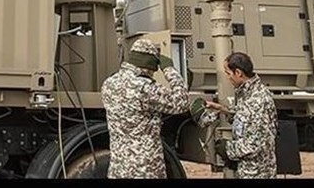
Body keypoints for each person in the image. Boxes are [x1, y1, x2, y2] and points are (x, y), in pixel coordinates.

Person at [101, 38, 190, 178]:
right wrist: (170, 70)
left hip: (119, 167)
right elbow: (182, 103)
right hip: (144, 168)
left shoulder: (109, 83)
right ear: (149, 64)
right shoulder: (144, 87)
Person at [192, 51, 278, 179]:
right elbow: (246, 116)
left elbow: (255, 145)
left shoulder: (259, 100)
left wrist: (228, 149)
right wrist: (223, 109)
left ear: (238, 73)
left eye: (228, 73)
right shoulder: (247, 94)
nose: (227, 77)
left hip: (258, 173)